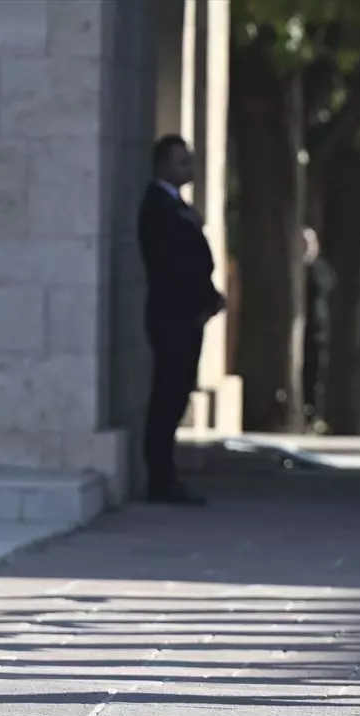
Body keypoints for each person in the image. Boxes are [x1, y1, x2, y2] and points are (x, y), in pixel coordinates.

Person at [138, 134, 225, 505]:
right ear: (161, 166)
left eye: (189, 161)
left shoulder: (177, 205)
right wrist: (201, 298)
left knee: (178, 392)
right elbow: (176, 264)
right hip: (173, 315)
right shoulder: (158, 206)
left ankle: (166, 472)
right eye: (180, 161)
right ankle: (160, 476)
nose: (187, 168)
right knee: (167, 395)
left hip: (187, 315)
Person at [301, 227, 336, 432]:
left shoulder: (320, 270)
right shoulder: (295, 269)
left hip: (317, 330)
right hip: (304, 330)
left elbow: (328, 288)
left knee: (316, 374)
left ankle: (314, 415)